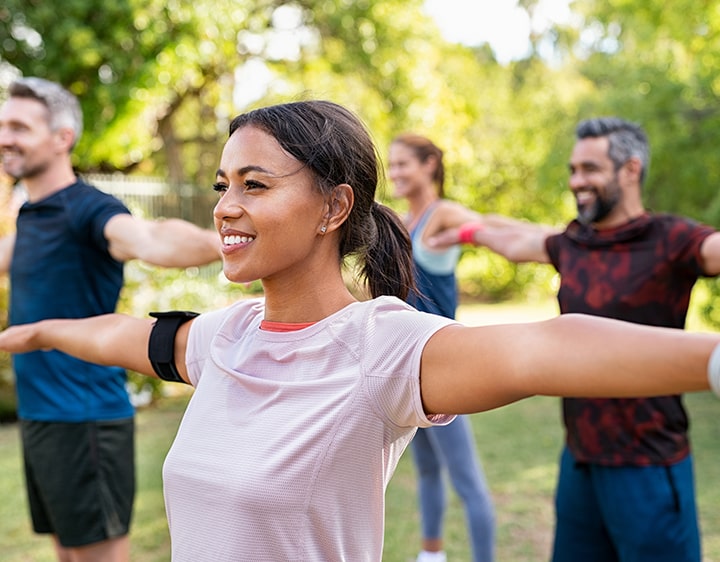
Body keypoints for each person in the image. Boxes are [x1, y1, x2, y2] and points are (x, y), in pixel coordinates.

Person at [0, 101, 718, 562]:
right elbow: (122, 335)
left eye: (254, 184)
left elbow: (545, 347)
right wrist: (34, 333)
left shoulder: (381, 347)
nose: (225, 206)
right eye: (222, 185)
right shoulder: (226, 338)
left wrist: (714, 359)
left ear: (333, 206)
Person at [428, 116, 720, 562]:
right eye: (572, 170)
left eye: (589, 169)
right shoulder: (572, 242)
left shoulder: (671, 239)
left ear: (630, 170)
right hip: (579, 461)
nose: (576, 181)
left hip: (648, 464)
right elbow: (515, 241)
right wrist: (464, 233)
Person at [0, 77, 221, 562]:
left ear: (62, 138)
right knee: (68, 554)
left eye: (19, 126)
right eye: (2, 125)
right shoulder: (34, 215)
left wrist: (228, 243)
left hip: (85, 419)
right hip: (43, 417)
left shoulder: (89, 209)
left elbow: (151, 239)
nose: (4, 137)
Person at [388, 133, 495, 562]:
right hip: (407, 365)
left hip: (445, 364)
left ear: (430, 164)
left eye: (403, 165)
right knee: (428, 470)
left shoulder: (443, 214)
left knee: (466, 478)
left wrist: (465, 236)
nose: (394, 173)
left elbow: (489, 228)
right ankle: (431, 556)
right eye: (391, 165)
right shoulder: (401, 221)